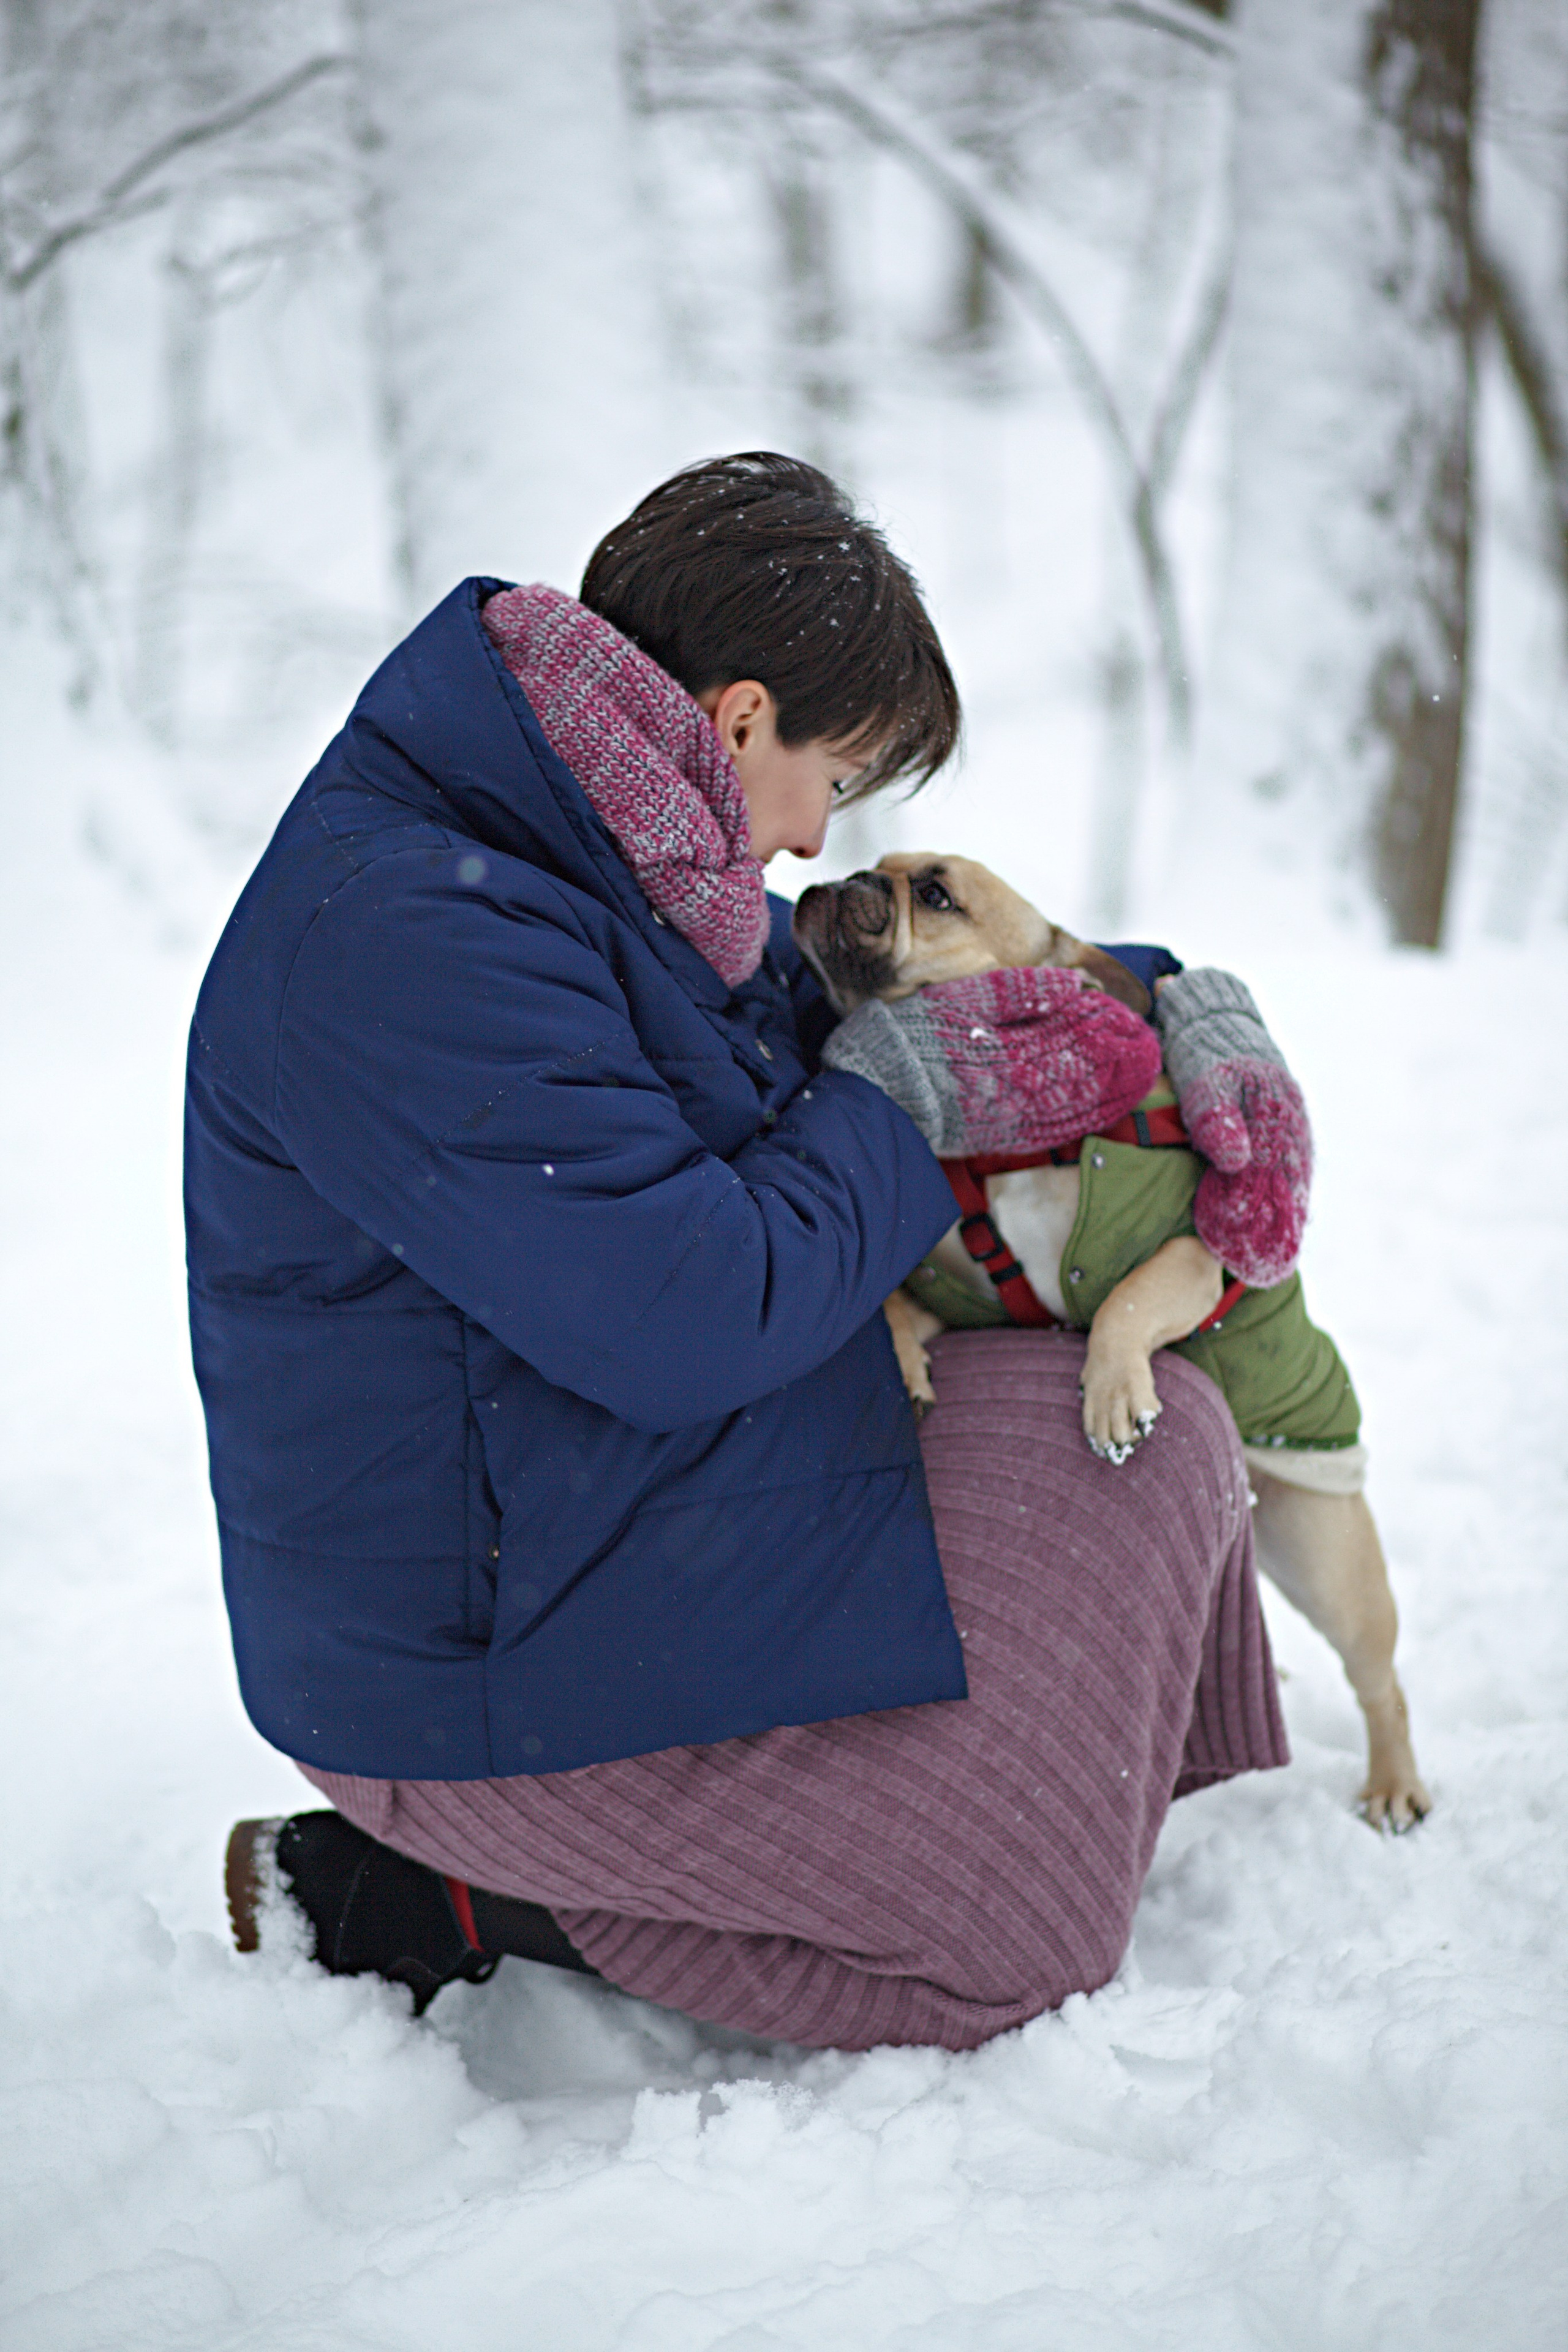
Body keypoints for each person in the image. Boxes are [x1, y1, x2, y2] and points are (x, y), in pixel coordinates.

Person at [194, 453, 1290, 2051]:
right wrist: (905, 1100)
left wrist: (1174, 1008)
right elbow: (687, 1313)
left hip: (621, 1509)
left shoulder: (616, 857)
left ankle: (1001, 1798)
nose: (811, 843)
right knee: (1017, 1933)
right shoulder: (410, 934)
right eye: (836, 784)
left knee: (1149, 1432)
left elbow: (817, 1027)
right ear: (739, 721)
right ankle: (425, 1888)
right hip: (485, 1667)